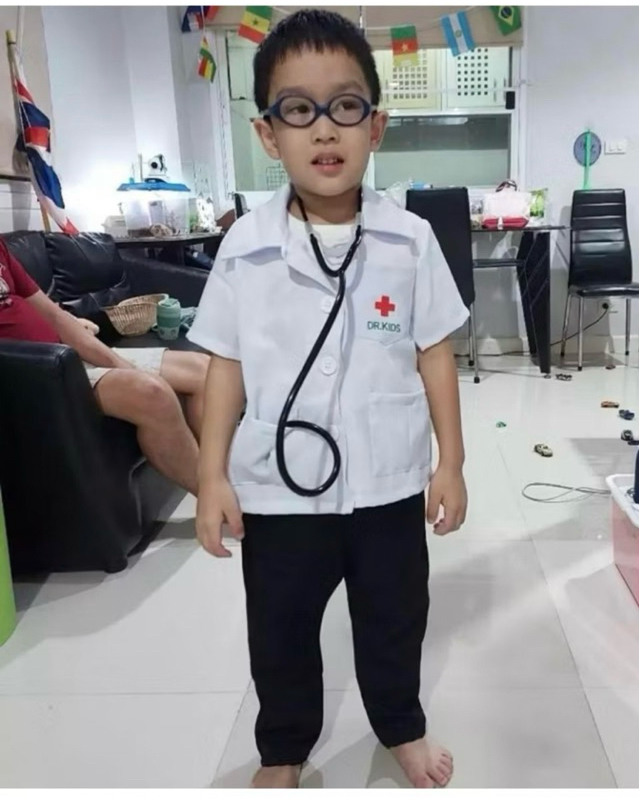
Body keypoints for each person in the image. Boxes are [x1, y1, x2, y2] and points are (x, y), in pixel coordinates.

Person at [188, 9, 468, 790]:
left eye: (345, 105)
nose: (323, 128)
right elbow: (224, 365)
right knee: (278, 630)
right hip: (279, 490)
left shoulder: (410, 240)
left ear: (375, 126)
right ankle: (283, 746)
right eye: (297, 109)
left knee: (395, 619)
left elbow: (435, 351)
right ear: (267, 133)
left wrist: (451, 462)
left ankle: (401, 725)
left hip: (387, 481)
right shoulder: (245, 247)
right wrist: (211, 477)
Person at [0, 239, 208, 495]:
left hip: (67, 353)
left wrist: (118, 363)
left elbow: (54, 316)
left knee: (204, 370)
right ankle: (216, 501)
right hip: (37, 372)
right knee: (152, 392)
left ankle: (223, 479)